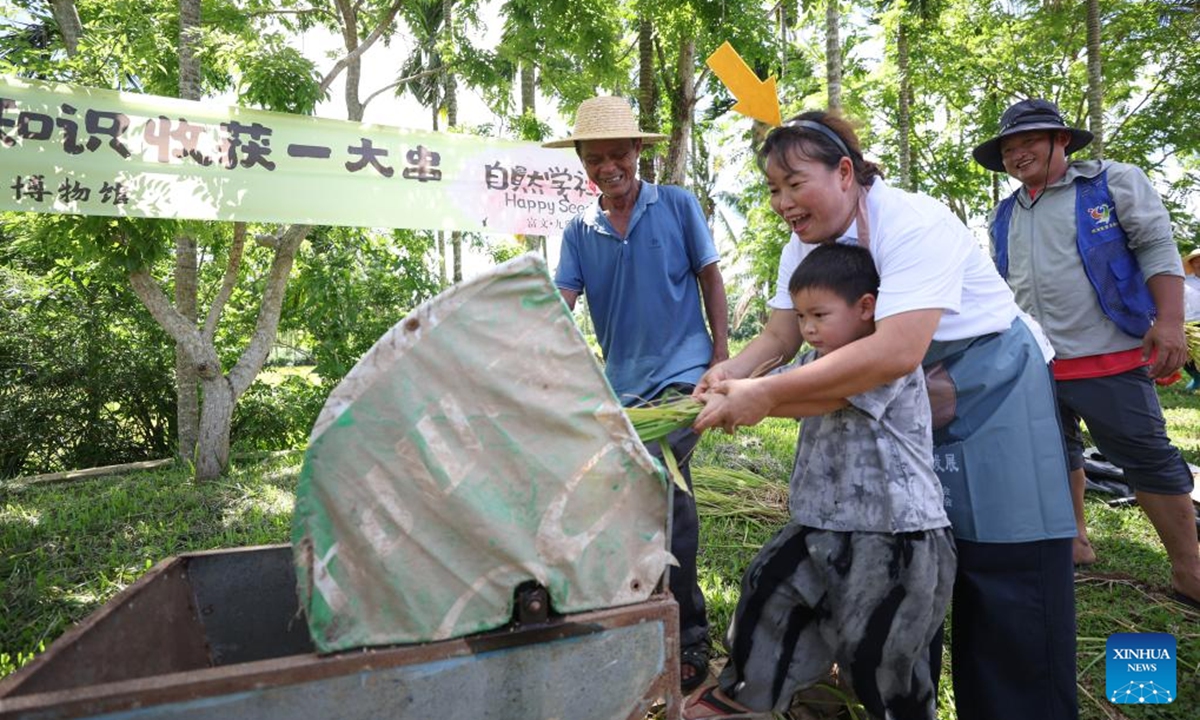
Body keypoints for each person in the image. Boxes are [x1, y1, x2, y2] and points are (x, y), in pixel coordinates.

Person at [692, 111, 1079, 720]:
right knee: (904, 557)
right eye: (772, 189)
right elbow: (780, 333)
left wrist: (765, 397)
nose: (782, 203)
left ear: (845, 172)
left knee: (1005, 570)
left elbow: (896, 349)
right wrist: (734, 373)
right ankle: (894, 695)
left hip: (991, 381)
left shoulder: (913, 222)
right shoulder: (803, 243)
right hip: (899, 393)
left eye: (795, 183)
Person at [684, 244, 955, 720]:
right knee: (768, 591)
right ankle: (746, 699)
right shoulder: (816, 359)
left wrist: (753, 400)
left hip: (893, 534)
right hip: (819, 524)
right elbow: (786, 385)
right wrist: (734, 386)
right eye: (801, 317)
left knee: (877, 651)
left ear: (866, 308)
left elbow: (819, 397)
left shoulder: (880, 361)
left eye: (819, 315)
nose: (807, 328)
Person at [972, 98, 1200, 607]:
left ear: (1062, 141)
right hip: (1034, 362)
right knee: (1052, 453)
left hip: (1110, 352)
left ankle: (1189, 569)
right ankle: (1075, 540)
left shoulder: (1111, 183)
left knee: (1147, 457)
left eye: (1029, 140)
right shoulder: (1004, 213)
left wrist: (1168, 322)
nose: (1017, 153)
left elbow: (1157, 248)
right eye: (1009, 147)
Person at [544, 95, 730, 693]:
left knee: (661, 487)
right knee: (631, 501)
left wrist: (723, 358)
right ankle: (641, 628)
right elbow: (560, 306)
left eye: (618, 154)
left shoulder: (675, 205)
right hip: (623, 392)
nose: (608, 167)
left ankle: (687, 639)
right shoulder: (579, 230)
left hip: (685, 378)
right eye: (594, 158)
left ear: (638, 153)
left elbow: (710, 276)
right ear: (582, 161)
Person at [1183, 248, 1200, 391]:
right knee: (1186, 355)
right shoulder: (1184, 282)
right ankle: (1197, 378)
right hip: (1189, 323)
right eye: (1196, 260)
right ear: (1192, 263)